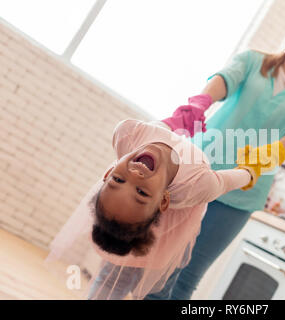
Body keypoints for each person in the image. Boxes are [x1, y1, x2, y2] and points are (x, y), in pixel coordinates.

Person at [145, 10, 285, 300]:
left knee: (186, 277)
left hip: (241, 192)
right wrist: (201, 102)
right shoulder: (252, 62)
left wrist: (271, 153)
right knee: (157, 263)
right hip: (197, 172)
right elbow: (225, 79)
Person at [46, 117, 260, 300]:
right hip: (169, 234)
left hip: (155, 227)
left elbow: (154, 129)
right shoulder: (197, 185)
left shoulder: (127, 134)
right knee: (116, 280)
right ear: (163, 201)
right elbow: (226, 181)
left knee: (121, 279)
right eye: (141, 193)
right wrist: (250, 172)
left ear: (109, 171)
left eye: (118, 180)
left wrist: (176, 120)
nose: (134, 175)